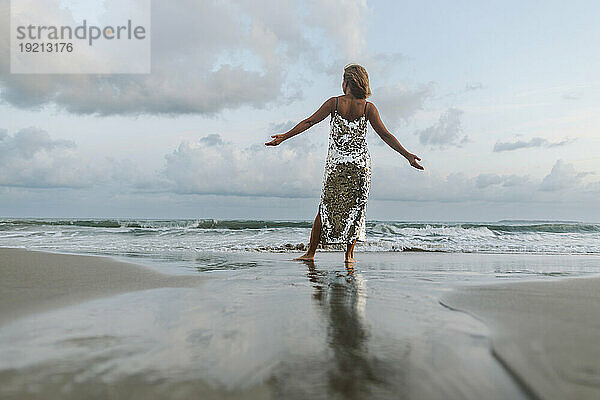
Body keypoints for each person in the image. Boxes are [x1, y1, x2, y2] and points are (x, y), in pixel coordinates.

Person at [265, 64, 424, 264]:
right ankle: (349, 256)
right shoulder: (368, 107)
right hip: (360, 166)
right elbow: (385, 134)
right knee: (356, 209)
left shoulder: (334, 103)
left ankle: (311, 253)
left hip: (336, 166)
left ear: (347, 82)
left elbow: (309, 122)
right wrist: (407, 155)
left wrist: (284, 137)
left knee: (324, 208)